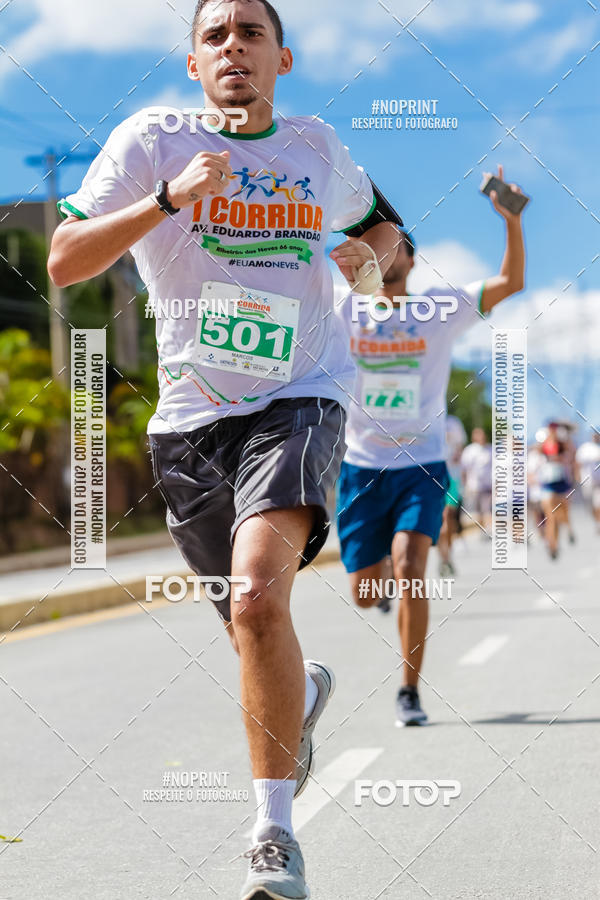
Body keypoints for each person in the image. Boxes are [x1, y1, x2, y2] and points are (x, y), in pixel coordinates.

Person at [47, 2, 400, 898]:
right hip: (191, 422)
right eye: (215, 35)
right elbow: (62, 260)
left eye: (250, 33)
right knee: (256, 633)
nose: (233, 46)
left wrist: (368, 260)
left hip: (300, 398)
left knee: (254, 598)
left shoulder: (318, 147)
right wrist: (168, 200)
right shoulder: (151, 141)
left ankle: (273, 835)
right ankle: (302, 696)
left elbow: (388, 230)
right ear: (194, 63)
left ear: (284, 57)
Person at [336, 165, 526, 726]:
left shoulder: (437, 311)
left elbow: (510, 283)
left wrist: (511, 222)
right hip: (360, 468)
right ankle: (385, 595)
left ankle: (409, 691)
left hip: (421, 464)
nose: (378, 256)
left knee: (410, 562)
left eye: (390, 249)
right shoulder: (344, 312)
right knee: (366, 593)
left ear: (409, 260)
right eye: (368, 251)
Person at [539, 422, 577, 558]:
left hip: (561, 483)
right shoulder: (542, 444)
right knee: (551, 517)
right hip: (547, 484)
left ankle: (568, 530)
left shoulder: (563, 444)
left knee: (563, 513)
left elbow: (572, 454)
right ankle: (552, 545)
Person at [438, 415, 467, 577]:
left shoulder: (454, 422)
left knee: (448, 516)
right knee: (441, 522)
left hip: (452, 477)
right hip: (432, 477)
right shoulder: (425, 417)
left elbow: (460, 448)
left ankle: (447, 555)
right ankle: (444, 558)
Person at [461, 427, 493, 535]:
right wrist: (465, 485)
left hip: (488, 485)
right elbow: (464, 469)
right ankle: (482, 529)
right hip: (474, 486)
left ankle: (489, 529)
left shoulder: (490, 449)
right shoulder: (469, 450)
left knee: (487, 508)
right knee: (478, 510)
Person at [576, 429, 600, 533]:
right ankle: (596, 521)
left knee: (598, 503)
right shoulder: (585, 448)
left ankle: (599, 523)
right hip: (587, 481)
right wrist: (577, 476)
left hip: (599, 483)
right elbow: (577, 463)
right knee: (590, 505)